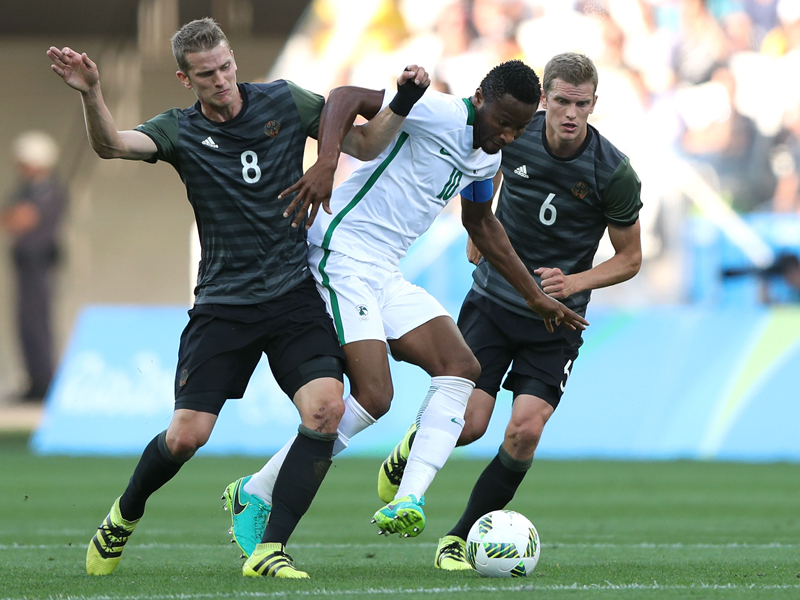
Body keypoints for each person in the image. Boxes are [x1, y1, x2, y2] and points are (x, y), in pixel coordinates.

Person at [48, 17, 430, 579]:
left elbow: (367, 143)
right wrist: (94, 93)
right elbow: (112, 146)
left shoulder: (284, 101)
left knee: (325, 410)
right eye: (207, 74)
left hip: (291, 294)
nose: (222, 80)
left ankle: (269, 549)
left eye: (226, 67)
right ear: (186, 78)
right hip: (223, 304)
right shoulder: (178, 130)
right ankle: (122, 516)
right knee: (186, 438)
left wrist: (403, 98)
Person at [223, 59, 589, 558]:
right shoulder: (437, 111)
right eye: (502, 121)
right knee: (375, 396)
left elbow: (482, 225)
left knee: (462, 367)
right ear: (480, 98)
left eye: (519, 127)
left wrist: (534, 295)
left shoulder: (485, 159)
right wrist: (327, 162)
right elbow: (345, 96)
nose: (507, 134)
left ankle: (408, 498)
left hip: (385, 271)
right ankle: (258, 492)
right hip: (341, 252)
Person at [378, 52, 643, 570]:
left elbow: (632, 258)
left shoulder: (613, 172)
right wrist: (479, 229)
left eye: (581, 104)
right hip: (494, 302)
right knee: (472, 424)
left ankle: (456, 539)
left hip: (556, 321)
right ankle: (417, 443)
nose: (570, 113)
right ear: (545, 97)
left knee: (524, 431)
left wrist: (576, 282)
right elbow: (483, 162)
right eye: (561, 101)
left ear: (594, 104)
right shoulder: (515, 131)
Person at [1, 131, 68, 402]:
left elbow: (22, 220)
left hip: (40, 267)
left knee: (38, 324)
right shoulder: (25, 192)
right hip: (24, 266)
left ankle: (44, 382)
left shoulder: (51, 191)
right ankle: (34, 380)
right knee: (25, 325)